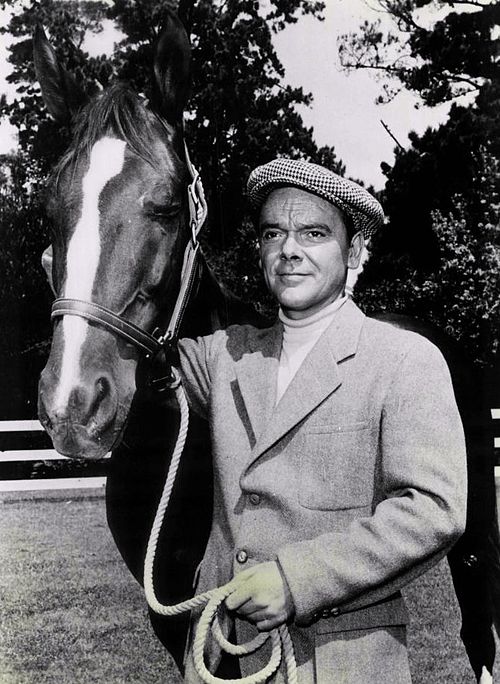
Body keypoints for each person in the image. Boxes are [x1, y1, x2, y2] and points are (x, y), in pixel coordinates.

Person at [178, 158, 467, 683]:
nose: (289, 250)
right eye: (274, 233)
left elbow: (433, 511)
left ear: (354, 252)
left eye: (314, 233)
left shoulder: (404, 359)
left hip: (340, 665)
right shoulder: (227, 356)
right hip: (222, 665)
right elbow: (131, 333)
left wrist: (295, 581)